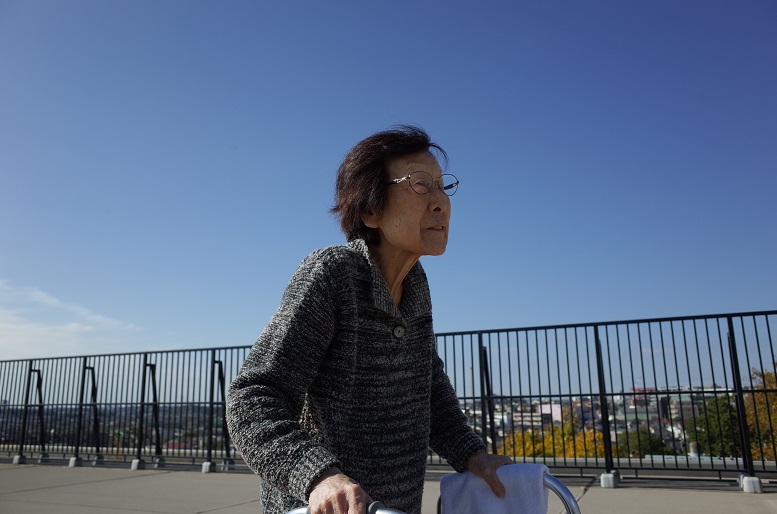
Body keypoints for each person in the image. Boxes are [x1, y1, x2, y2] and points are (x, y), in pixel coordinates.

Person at [226, 125, 511, 514]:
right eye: (420, 184)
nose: (440, 203)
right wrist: (319, 477)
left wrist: (474, 456)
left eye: (443, 186)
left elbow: (429, 392)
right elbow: (254, 396)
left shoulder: (415, 284)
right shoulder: (334, 273)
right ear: (370, 211)